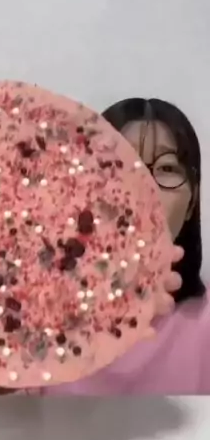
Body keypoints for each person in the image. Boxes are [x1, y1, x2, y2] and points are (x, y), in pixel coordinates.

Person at [38, 96, 209, 395]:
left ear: (192, 201)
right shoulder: (41, 310)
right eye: (120, 165)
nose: (144, 186)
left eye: (167, 168)